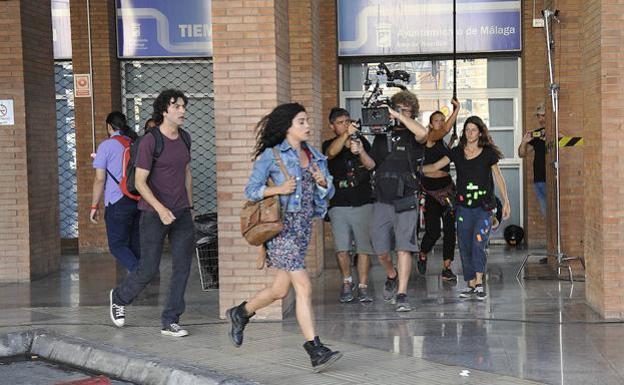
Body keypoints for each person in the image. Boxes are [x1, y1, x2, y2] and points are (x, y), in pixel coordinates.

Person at [226, 103, 342, 373]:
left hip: (302, 228)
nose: (307, 126)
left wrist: (323, 183)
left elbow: (329, 189)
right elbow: (251, 190)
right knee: (304, 287)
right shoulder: (271, 155)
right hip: (281, 230)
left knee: (280, 290)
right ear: (288, 126)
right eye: (301, 121)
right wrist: (277, 188)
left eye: (306, 120)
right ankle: (315, 349)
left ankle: (241, 312)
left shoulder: (314, 156)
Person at [109, 89, 195, 337]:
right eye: (177, 106)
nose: (182, 111)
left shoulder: (185, 138)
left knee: (182, 267)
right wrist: (161, 209)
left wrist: (189, 206)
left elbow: (187, 174)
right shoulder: (150, 141)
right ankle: (119, 297)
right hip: (153, 214)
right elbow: (140, 182)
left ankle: (170, 320)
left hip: (181, 213)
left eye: (183, 106)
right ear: (164, 110)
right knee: (148, 269)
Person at [423, 116, 510, 300]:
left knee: (478, 243)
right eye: (467, 129)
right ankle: (470, 284)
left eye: (473, 129)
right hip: (463, 208)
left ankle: (479, 283)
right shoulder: (457, 152)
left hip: (484, 208)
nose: (469, 133)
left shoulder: (488, 153)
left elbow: (499, 178)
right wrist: (417, 169)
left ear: (480, 132)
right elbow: (437, 166)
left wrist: (506, 202)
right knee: (464, 245)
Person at [368, 90, 428, 312]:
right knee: (380, 249)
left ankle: (402, 293)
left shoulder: (414, 134)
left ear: (412, 112)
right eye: (397, 108)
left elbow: (424, 134)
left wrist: (400, 116)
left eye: (406, 110)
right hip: (382, 197)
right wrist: (357, 149)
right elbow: (370, 164)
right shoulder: (381, 135)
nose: (400, 113)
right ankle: (391, 275)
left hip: (406, 197)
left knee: (404, 247)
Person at [322, 107, 375, 303]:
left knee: (363, 247)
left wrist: (360, 150)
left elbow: (371, 166)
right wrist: (346, 134)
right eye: (340, 122)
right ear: (332, 126)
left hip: (363, 201)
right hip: (338, 203)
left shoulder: (361, 142)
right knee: (341, 248)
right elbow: (330, 153)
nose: (345, 124)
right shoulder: (328, 143)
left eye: (347, 121)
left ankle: (362, 286)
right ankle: (347, 281)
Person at [90, 112, 141, 272]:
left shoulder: (106, 146)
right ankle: (139, 282)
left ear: (109, 126)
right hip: (137, 199)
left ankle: (140, 275)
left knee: (117, 245)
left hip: (116, 201)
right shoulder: (133, 143)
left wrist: (94, 206)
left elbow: (99, 180)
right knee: (134, 244)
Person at [418, 98, 460, 280]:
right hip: (431, 191)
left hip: (448, 188)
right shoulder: (428, 138)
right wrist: (456, 109)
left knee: (450, 230)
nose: (441, 123)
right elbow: (444, 131)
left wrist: (450, 145)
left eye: (443, 120)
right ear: (430, 124)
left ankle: (447, 268)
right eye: (437, 120)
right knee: (433, 231)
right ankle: (423, 253)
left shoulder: (442, 141)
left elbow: (443, 158)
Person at [518, 103, 547, 216]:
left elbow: (564, 145)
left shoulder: (554, 132)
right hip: (538, 180)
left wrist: (553, 137)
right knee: (546, 214)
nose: (541, 119)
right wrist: (524, 142)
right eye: (538, 116)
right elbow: (521, 154)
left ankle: (556, 234)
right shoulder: (536, 134)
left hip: (551, 180)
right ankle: (551, 234)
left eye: (543, 115)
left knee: (553, 214)